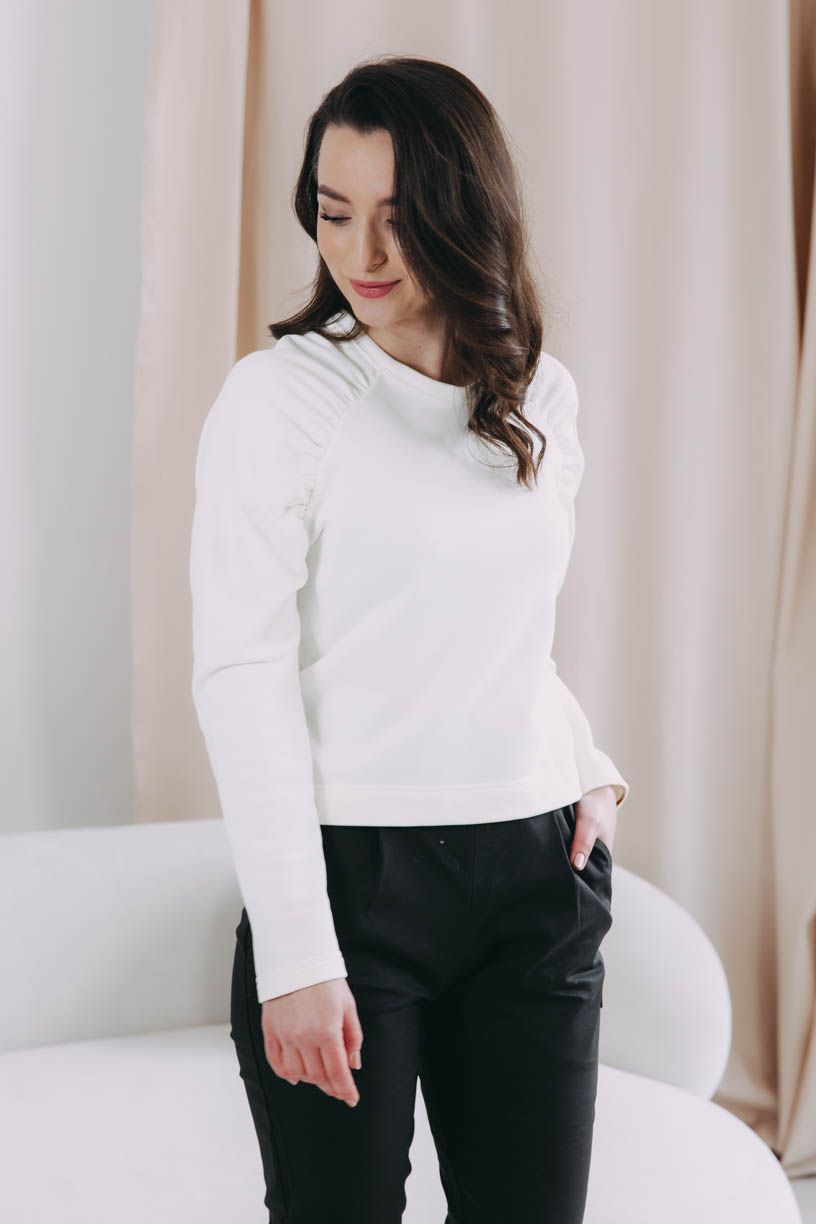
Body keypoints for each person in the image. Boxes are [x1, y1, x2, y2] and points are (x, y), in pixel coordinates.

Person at [190, 53, 630, 1224]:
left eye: (400, 215)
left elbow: (508, 631)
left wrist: (583, 761)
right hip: (355, 885)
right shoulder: (280, 402)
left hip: (535, 879)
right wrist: (297, 953)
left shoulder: (541, 396)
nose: (363, 252)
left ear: (467, 210)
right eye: (335, 212)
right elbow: (239, 673)